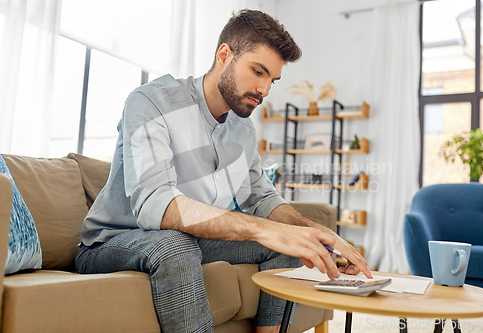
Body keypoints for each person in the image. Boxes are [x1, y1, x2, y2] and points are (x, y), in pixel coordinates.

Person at [75, 9, 372, 333]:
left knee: (288, 244)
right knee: (174, 243)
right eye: (257, 71)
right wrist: (261, 229)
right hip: (112, 242)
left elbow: (262, 198)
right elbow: (155, 205)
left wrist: (314, 233)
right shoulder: (152, 101)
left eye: (271, 79)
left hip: (191, 238)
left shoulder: (241, 131)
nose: (265, 90)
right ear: (224, 55)